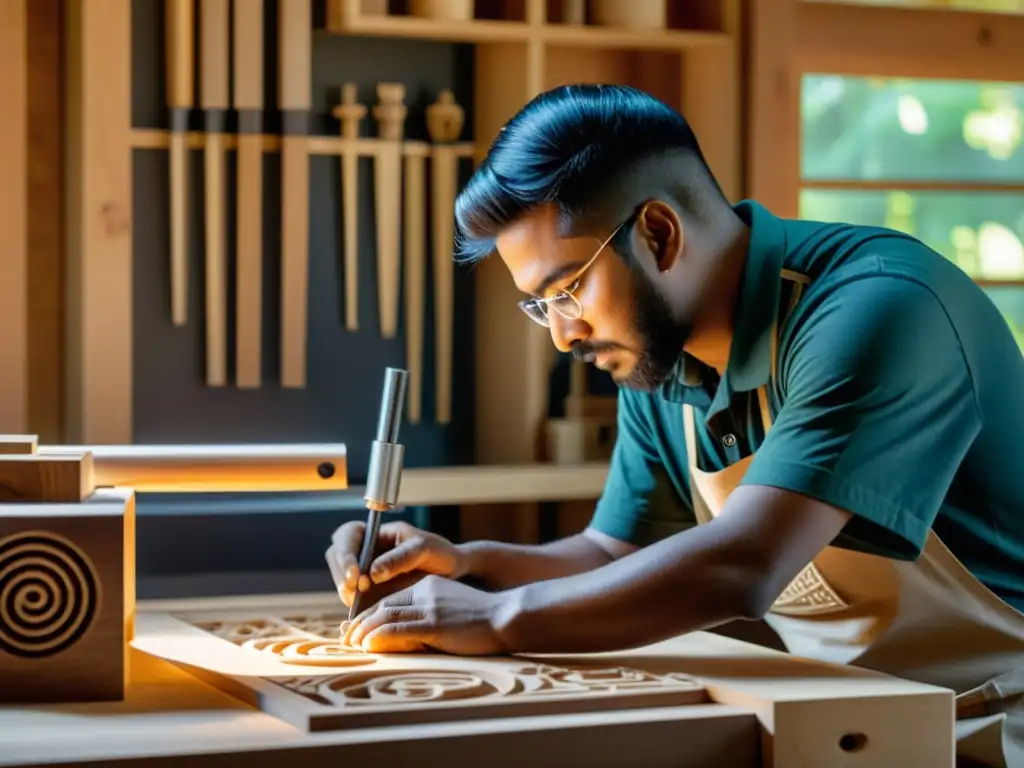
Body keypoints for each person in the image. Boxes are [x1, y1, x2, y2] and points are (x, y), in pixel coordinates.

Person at [326, 84, 1024, 766]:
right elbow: (612, 556)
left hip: (1001, 724)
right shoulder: (663, 357)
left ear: (658, 234)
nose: (564, 337)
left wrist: (498, 619)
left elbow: (741, 564)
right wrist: (466, 566)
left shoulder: (878, 310)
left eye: (567, 291)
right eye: (540, 306)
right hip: (857, 719)